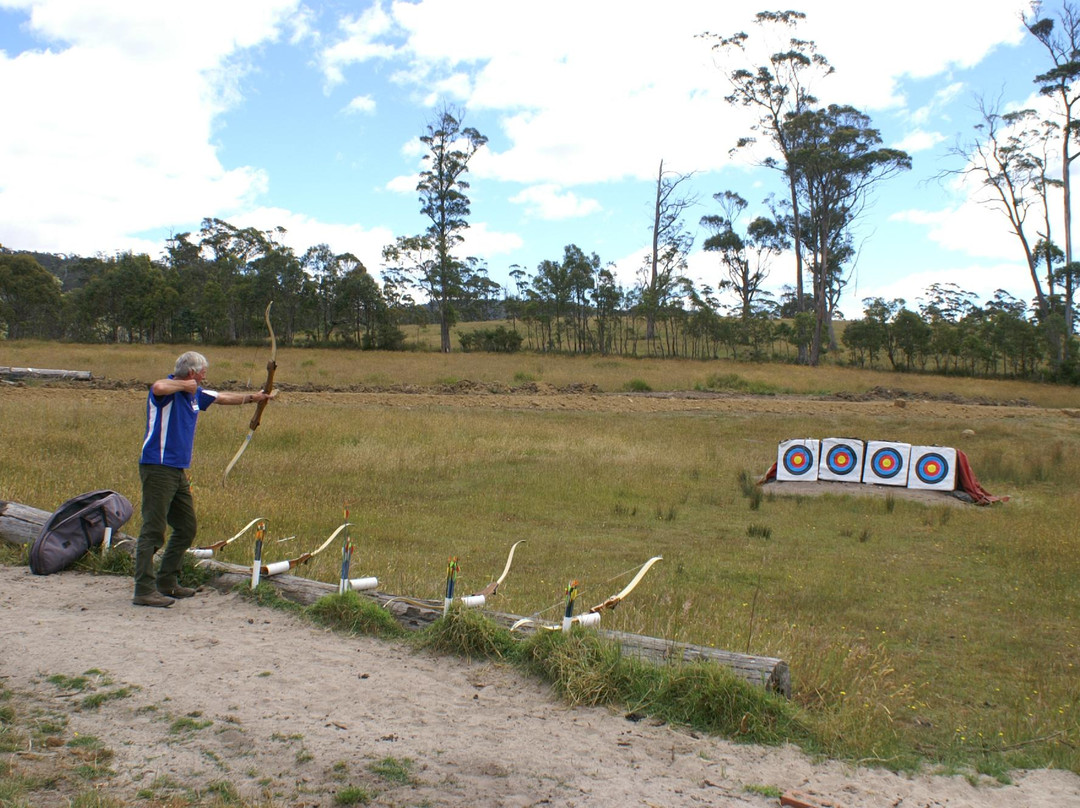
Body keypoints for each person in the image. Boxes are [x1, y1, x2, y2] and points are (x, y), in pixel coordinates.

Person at [133, 351, 276, 607]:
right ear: (191, 373)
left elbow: (221, 397)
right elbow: (158, 387)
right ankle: (143, 590)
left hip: (176, 470)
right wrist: (184, 386)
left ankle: (167, 582)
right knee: (153, 530)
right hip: (158, 466)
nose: (204, 376)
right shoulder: (169, 390)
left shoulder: (196, 393)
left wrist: (254, 398)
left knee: (186, 527)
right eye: (202, 373)